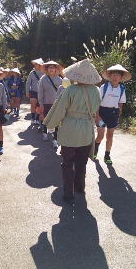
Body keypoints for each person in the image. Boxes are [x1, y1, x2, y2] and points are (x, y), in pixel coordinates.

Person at [43, 59, 101, 201]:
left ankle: (69, 193)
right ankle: (80, 187)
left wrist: (50, 125)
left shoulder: (70, 89)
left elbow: (60, 109)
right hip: (87, 128)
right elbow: (96, 109)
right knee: (82, 162)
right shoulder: (97, 90)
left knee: (67, 162)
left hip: (70, 129)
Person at [94, 64, 131, 164]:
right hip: (102, 112)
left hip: (113, 114)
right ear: (109, 76)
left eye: (117, 75)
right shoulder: (104, 87)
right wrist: (97, 116)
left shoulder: (121, 89)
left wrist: (118, 116)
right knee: (100, 136)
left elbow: (120, 103)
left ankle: (107, 155)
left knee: (110, 135)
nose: (115, 77)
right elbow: (98, 102)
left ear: (121, 77)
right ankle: (95, 148)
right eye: (113, 74)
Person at [38, 61, 63, 148]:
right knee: (46, 119)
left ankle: (55, 139)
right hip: (45, 103)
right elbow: (40, 93)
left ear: (56, 69)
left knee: (57, 122)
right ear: (47, 69)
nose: (51, 69)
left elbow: (63, 92)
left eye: (53, 67)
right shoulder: (42, 79)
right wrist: (41, 104)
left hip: (56, 104)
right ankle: (45, 132)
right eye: (50, 67)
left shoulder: (60, 80)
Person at [26, 58, 44, 125]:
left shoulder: (44, 73)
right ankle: (33, 117)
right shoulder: (32, 73)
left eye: (36, 64)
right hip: (33, 91)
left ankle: (37, 118)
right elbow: (28, 82)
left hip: (40, 92)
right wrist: (27, 91)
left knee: (38, 106)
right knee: (32, 104)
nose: (35, 65)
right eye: (35, 64)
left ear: (40, 65)